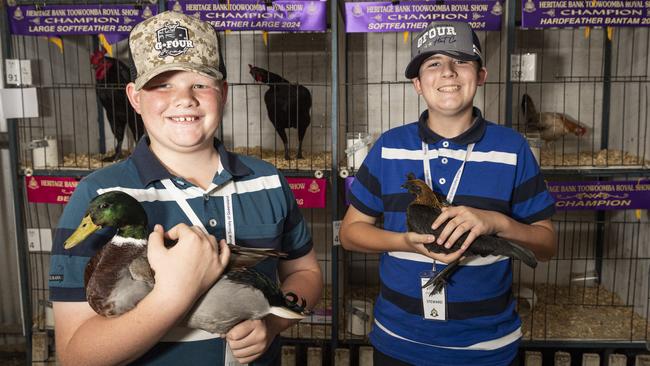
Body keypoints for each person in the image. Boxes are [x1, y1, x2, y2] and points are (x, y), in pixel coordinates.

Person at [49, 11, 322, 366]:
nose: (184, 99)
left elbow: (307, 274)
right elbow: (74, 356)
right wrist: (174, 294)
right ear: (134, 97)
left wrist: (271, 324)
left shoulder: (267, 179)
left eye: (200, 83)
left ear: (223, 93)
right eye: (162, 84)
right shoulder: (96, 195)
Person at [339, 21, 556, 366]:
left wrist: (496, 222)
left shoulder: (512, 148)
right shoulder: (389, 147)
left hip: (488, 348)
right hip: (399, 342)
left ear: (481, 75)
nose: (448, 72)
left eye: (461, 61)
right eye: (433, 63)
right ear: (417, 84)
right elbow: (350, 233)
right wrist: (403, 242)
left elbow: (546, 245)